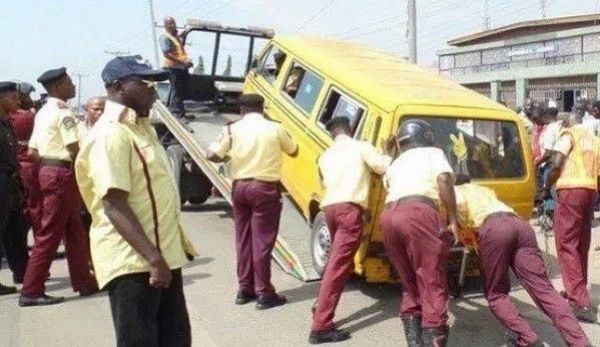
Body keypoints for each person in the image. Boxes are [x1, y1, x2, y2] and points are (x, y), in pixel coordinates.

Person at [75, 55, 196, 346]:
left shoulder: (142, 128)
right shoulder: (111, 135)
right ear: (117, 87)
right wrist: (153, 259)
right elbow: (114, 204)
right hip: (135, 262)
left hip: (161, 256)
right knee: (139, 342)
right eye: (144, 83)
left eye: (155, 82)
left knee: (176, 339)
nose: (153, 89)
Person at [454, 176, 591, 347]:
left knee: (496, 294)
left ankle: (529, 340)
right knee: (544, 290)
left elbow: (459, 228)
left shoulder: (455, 193)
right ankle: (581, 343)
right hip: (521, 226)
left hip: (495, 229)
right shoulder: (483, 190)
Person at [207, 93, 298, 310]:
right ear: (263, 107)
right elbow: (293, 150)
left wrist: (230, 157)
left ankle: (244, 288)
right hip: (265, 188)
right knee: (262, 241)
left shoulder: (232, 128)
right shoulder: (275, 128)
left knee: (243, 239)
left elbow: (211, 155)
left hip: (239, 187)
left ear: (241, 109)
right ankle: (264, 292)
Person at [309, 117, 394, 344]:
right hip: (349, 211)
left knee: (335, 262)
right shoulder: (361, 147)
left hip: (330, 209)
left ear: (332, 134)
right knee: (339, 266)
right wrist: (387, 151)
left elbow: (326, 183)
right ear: (350, 129)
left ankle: (319, 305)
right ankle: (321, 326)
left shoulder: (326, 156)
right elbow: (383, 167)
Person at [18, 67, 98, 306]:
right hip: (62, 172)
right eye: (69, 82)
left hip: (48, 171)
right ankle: (31, 290)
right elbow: (74, 147)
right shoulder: (63, 112)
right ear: (56, 87)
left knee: (74, 231)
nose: (73, 86)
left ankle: (84, 281)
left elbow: (32, 152)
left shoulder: (42, 112)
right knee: (49, 234)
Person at [379, 119, 459, 347]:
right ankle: (433, 335)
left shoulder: (396, 162)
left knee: (410, 280)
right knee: (432, 279)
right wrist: (453, 219)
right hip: (419, 213)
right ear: (426, 136)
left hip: (389, 216)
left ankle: (415, 343)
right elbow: (444, 180)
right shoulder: (432, 152)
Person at [545, 111, 600, 323]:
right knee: (580, 244)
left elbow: (557, 161)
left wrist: (546, 185)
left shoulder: (568, 134)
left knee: (566, 243)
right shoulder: (594, 140)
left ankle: (580, 301)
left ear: (568, 122)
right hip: (590, 191)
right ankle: (577, 290)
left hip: (570, 190)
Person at [0, 82, 31, 284]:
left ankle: (23, 274)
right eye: (13, 98)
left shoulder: (7, 122)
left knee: (16, 229)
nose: (18, 102)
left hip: (11, 181)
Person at [160, 16, 193, 121]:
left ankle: (181, 113)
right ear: (165, 25)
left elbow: (178, 46)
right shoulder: (164, 37)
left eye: (174, 23)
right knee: (177, 90)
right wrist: (183, 62)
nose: (173, 25)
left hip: (181, 67)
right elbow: (167, 53)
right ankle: (177, 114)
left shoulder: (174, 36)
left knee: (181, 90)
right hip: (172, 67)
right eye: (170, 24)